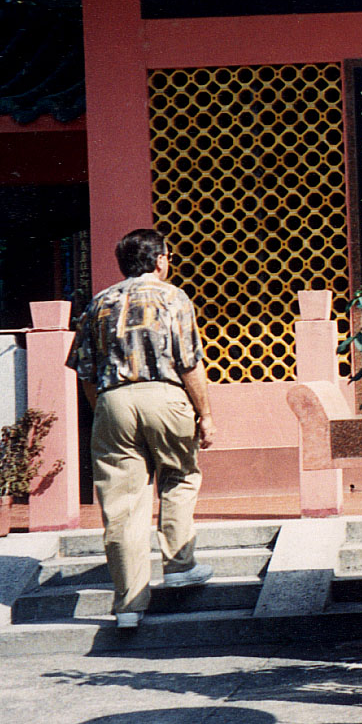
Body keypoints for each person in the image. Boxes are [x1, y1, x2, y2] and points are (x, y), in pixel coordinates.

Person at [66, 228, 217, 628]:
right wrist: (206, 414)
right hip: (165, 395)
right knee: (179, 477)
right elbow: (189, 363)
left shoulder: (98, 303)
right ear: (160, 260)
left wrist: (104, 410)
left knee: (122, 503)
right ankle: (180, 564)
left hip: (113, 399)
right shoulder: (174, 297)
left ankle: (129, 605)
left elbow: (84, 371)